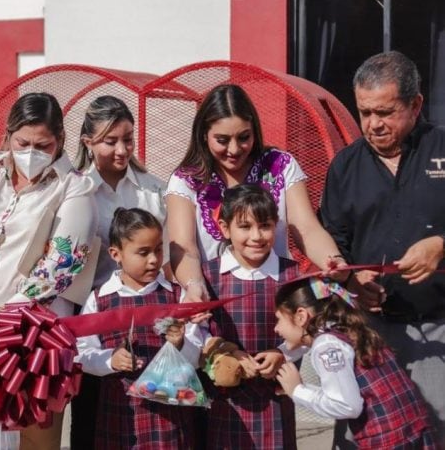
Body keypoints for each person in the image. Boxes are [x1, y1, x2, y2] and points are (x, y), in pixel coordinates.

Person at [0, 92, 96, 449]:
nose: (31, 152)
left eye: (42, 144)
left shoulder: (75, 187)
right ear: (8, 136)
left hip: (36, 334)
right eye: (23, 143)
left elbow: (62, 264)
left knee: (31, 433)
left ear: (60, 140)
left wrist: (2, 317)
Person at [320, 50, 445, 444]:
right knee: (366, 434)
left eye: (385, 112)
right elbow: (333, 243)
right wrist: (352, 281)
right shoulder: (343, 167)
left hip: (437, 326)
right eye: (365, 112)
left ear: (416, 104)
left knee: (435, 431)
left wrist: (441, 245)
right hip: (367, 328)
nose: (373, 124)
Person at [165, 83, 348, 300]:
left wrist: (333, 259)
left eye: (243, 138)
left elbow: (306, 228)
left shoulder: (280, 166)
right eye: (222, 140)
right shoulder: (186, 179)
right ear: (204, 135)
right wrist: (194, 285)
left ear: (255, 131)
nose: (234, 150)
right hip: (211, 299)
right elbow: (184, 246)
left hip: (275, 298)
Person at [71, 95, 169, 448]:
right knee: (95, 424)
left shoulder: (152, 190)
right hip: (94, 319)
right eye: (110, 141)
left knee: (156, 422)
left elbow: (167, 258)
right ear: (88, 142)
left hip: (149, 314)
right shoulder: (75, 192)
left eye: (128, 139)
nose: (121, 149)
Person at [186, 184, 300, 448]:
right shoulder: (206, 276)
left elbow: (310, 330)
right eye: (245, 227)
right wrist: (222, 354)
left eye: (265, 225)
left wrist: (283, 352)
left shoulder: (293, 276)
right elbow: (195, 332)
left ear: (276, 225)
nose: (257, 236)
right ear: (225, 228)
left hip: (275, 396)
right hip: (222, 399)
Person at [76, 208, 195, 448]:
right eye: (143, 252)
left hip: (170, 416)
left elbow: (199, 350)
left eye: (158, 250)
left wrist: (181, 344)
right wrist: (110, 360)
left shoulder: (176, 295)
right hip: (120, 413)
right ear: (115, 254)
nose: (153, 259)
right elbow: (80, 353)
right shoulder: (100, 300)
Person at [274, 277, 437, 449]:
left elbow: (346, 405)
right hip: (414, 430)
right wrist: (282, 354)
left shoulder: (326, 346)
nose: (276, 329)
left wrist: (298, 391)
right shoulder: (347, 329)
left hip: (387, 441)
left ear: (300, 316)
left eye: (278, 319)